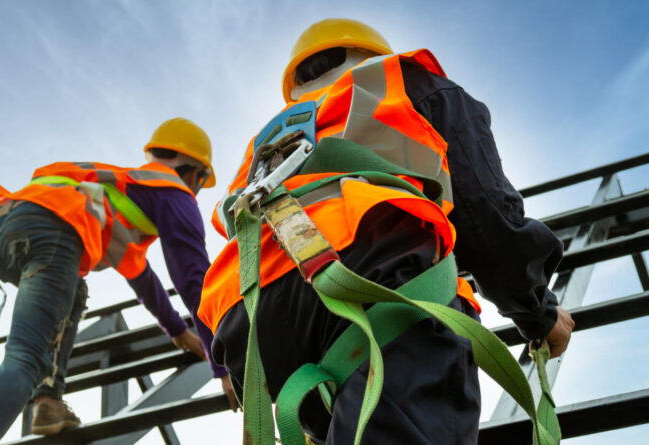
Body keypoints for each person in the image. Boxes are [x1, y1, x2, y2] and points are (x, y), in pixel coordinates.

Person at [198, 19, 575, 444]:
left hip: (248, 323)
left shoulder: (266, 144)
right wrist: (538, 314)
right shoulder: (403, 82)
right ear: (373, 54)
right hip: (374, 271)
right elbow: (485, 215)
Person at [0, 117, 238, 445]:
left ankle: (48, 401)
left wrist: (178, 332)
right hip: (52, 233)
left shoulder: (120, 193)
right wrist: (223, 364)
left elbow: (143, 279)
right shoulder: (173, 191)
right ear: (195, 173)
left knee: (74, 291)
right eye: (200, 184)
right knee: (24, 358)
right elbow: (193, 281)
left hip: (3, 230)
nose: (196, 191)